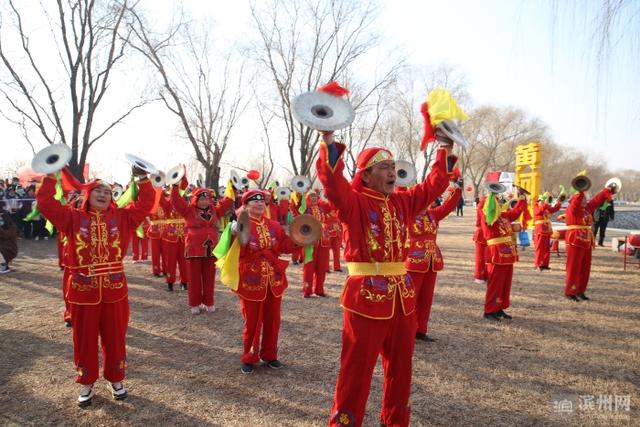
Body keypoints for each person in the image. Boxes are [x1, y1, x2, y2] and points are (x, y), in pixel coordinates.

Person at [317, 129, 452, 427]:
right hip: (366, 298)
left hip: (403, 299)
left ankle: (394, 421)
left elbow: (433, 186)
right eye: (384, 168)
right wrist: (328, 141)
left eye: (393, 167)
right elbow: (332, 183)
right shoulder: (354, 202)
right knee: (357, 369)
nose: (392, 173)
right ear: (365, 176)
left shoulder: (403, 202)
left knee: (401, 368)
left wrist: (444, 147)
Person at [36, 166, 153, 407]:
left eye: (107, 192)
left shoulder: (122, 217)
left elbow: (146, 203)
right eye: (97, 190)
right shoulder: (72, 217)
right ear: (87, 195)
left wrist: (142, 179)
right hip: (82, 290)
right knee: (84, 339)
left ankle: (116, 379)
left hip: (115, 289)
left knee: (115, 338)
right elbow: (46, 203)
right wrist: (49, 175)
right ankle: (86, 382)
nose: (103, 194)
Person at [233, 189, 296, 374]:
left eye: (262, 201)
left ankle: (270, 355)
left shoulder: (274, 225)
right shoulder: (240, 225)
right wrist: (233, 235)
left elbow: (285, 245)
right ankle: (249, 356)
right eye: (254, 201)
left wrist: (302, 238)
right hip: (251, 279)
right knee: (252, 321)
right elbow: (237, 252)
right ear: (245, 205)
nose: (260, 204)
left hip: (273, 280)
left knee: (273, 320)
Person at [405, 182, 462, 342]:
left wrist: (456, 188)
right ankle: (407, 329)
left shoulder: (432, 215)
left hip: (432, 260)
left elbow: (449, 206)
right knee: (411, 297)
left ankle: (420, 330)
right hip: (414, 260)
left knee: (426, 298)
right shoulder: (407, 214)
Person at [170, 185, 234, 314]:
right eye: (201, 199)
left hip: (211, 249)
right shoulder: (188, 210)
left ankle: (209, 302)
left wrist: (233, 188)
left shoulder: (214, 210)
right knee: (194, 278)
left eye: (207, 199)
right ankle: (195, 304)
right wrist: (175, 187)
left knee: (209, 277)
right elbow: (176, 201)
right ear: (195, 200)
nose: (204, 202)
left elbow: (227, 203)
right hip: (194, 248)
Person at [480, 187, 528, 321]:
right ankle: (489, 311)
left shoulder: (504, 216)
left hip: (507, 254)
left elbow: (516, 211)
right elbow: (488, 211)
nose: (500, 202)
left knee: (505, 283)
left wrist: (522, 199)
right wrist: (491, 197)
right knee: (495, 283)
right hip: (496, 253)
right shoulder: (488, 217)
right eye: (496, 200)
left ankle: (499, 307)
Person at [564, 184, 614, 301]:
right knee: (574, 267)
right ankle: (570, 291)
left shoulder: (586, 209)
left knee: (585, 268)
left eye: (585, 198)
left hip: (586, 240)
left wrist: (606, 190)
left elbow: (596, 200)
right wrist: (580, 190)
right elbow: (576, 202)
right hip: (575, 240)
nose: (586, 200)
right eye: (583, 198)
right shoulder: (573, 208)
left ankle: (580, 290)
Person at [301, 191, 331, 297]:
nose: (313, 198)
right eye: (311, 196)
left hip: (323, 240)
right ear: (307, 198)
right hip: (310, 241)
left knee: (321, 267)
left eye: (315, 196)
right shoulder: (305, 210)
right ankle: (307, 290)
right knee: (309, 267)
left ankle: (319, 289)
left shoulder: (321, 208)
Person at [533, 193, 563, 270]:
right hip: (540, 230)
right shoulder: (536, 206)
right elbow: (539, 212)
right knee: (539, 248)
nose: (543, 202)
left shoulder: (546, 207)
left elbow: (555, 209)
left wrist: (559, 202)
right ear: (539, 201)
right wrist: (545, 203)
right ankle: (538, 264)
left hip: (547, 230)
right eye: (541, 201)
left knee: (546, 248)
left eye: (544, 201)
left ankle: (545, 264)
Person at [472, 195, 488, 285]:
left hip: (489, 234)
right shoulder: (481, 209)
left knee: (488, 257)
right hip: (481, 235)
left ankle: (486, 274)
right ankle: (479, 276)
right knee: (480, 258)